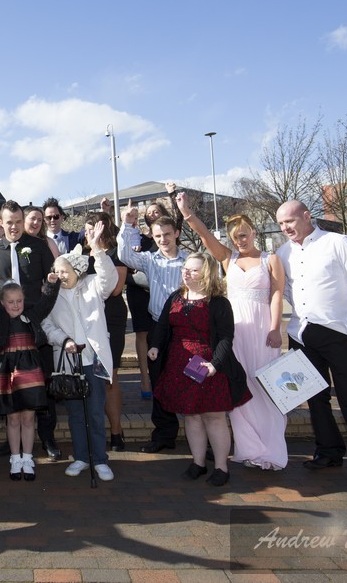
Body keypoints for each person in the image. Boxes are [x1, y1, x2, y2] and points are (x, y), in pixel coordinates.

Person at [275, 200, 347, 493]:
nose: (286, 228)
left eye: (289, 221)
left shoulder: (338, 243)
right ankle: (328, 452)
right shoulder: (283, 253)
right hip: (301, 334)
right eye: (280, 224)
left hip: (337, 334)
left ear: (306, 216)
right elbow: (287, 289)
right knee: (315, 399)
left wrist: (345, 320)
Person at [176, 192, 287, 470]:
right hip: (233, 331)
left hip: (262, 330)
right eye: (236, 236)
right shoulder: (227, 258)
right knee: (239, 387)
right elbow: (204, 237)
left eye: (245, 234)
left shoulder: (270, 259)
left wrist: (275, 328)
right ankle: (248, 449)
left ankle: (272, 450)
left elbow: (277, 294)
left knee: (265, 387)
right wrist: (186, 212)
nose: (241, 239)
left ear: (254, 231)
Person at [148, 253, 250, 487]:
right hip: (179, 364)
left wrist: (215, 364)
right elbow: (163, 325)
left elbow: (226, 337)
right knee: (191, 415)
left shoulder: (218, 302)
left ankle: (222, 468)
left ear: (207, 273)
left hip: (207, 365)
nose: (186, 272)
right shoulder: (176, 297)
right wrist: (155, 345)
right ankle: (198, 463)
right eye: (186, 268)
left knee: (214, 416)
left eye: (193, 270)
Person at [41, 221, 119, 482]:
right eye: (56, 271)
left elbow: (110, 279)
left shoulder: (93, 285)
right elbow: (46, 324)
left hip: (93, 360)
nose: (60, 275)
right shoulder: (52, 295)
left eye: (64, 270)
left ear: (76, 270)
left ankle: (100, 459)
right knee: (75, 413)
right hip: (68, 362)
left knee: (95, 412)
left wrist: (97, 250)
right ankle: (82, 458)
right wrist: (63, 340)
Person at [0, 201, 60, 460]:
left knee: (43, 382)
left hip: (36, 325)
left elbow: (53, 280)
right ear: (1, 224)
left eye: (18, 221)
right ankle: (13, 442)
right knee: (10, 385)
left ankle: (47, 436)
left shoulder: (38, 246)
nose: (14, 227)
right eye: (9, 222)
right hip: (7, 330)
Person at [0, 275, 60, 481]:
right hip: (7, 370)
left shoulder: (31, 314)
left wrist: (50, 284)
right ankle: (15, 458)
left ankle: (28, 458)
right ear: (3, 303)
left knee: (29, 417)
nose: (15, 305)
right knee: (13, 417)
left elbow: (46, 303)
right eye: (10, 302)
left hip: (30, 369)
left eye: (19, 301)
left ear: (24, 300)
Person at [117, 207, 188, 454]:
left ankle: (201, 436)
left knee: (191, 380)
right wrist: (127, 224)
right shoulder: (150, 259)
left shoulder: (190, 261)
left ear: (176, 233)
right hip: (159, 327)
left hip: (186, 329)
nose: (163, 240)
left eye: (167, 234)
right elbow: (125, 254)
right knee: (160, 382)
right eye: (158, 236)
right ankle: (165, 434)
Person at [79, 212, 129, 451]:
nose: (90, 232)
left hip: (110, 317)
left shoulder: (115, 253)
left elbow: (115, 289)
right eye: (87, 228)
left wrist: (98, 249)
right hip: (85, 319)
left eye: (94, 228)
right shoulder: (79, 254)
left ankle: (116, 431)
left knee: (110, 375)